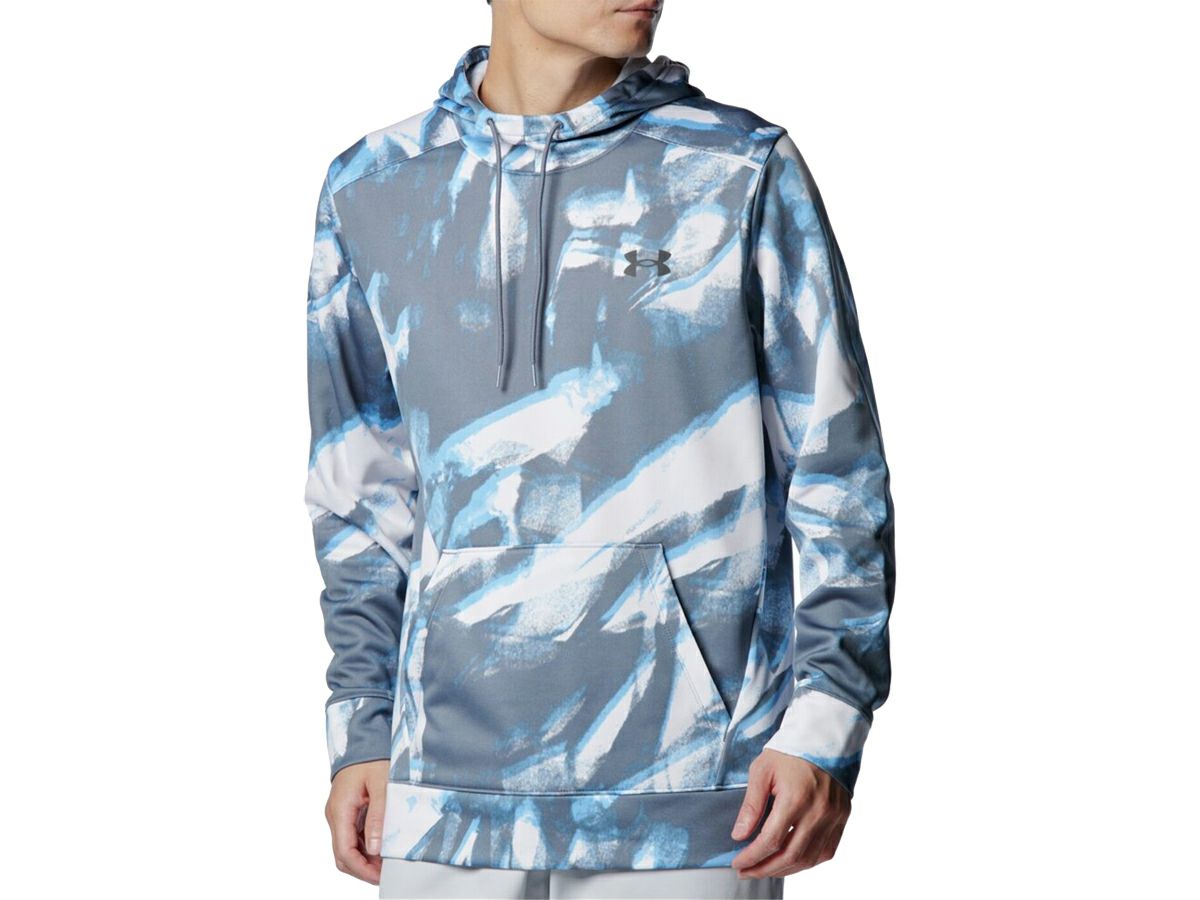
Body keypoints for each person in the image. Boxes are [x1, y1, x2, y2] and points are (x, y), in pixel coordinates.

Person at [304, 0, 896, 897]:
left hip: (697, 795)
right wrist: (362, 725)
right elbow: (360, 489)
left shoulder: (737, 168)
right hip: (440, 792)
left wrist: (825, 723)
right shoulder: (374, 185)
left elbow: (836, 469)